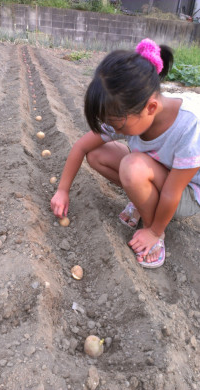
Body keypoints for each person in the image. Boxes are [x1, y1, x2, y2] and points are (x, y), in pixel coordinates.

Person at [51, 38, 200, 269]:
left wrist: (154, 230)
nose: (115, 130)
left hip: (187, 191)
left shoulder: (190, 124)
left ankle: (154, 231)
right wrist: (62, 190)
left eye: (119, 126)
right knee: (97, 154)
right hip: (160, 173)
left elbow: (172, 192)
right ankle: (144, 201)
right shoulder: (128, 108)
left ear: (151, 108)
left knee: (133, 167)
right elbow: (82, 146)